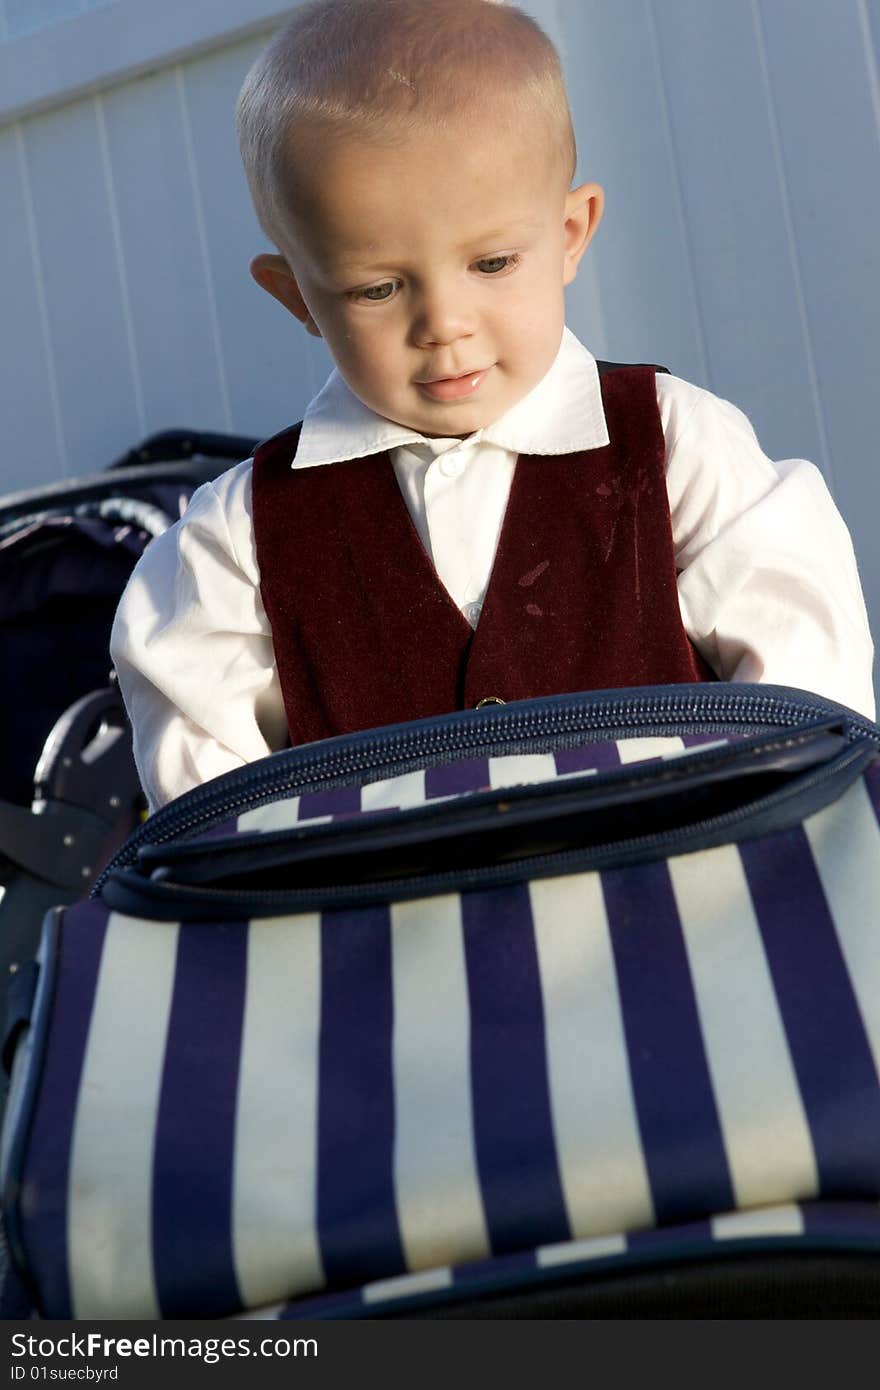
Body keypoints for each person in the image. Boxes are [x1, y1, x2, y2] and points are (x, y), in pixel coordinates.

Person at [110, 0, 875, 813]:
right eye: (378, 288)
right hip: (385, 932)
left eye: (493, 262)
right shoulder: (236, 545)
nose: (444, 324)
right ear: (296, 294)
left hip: (684, 910)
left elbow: (811, 715)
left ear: (572, 231)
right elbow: (210, 825)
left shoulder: (680, 449)